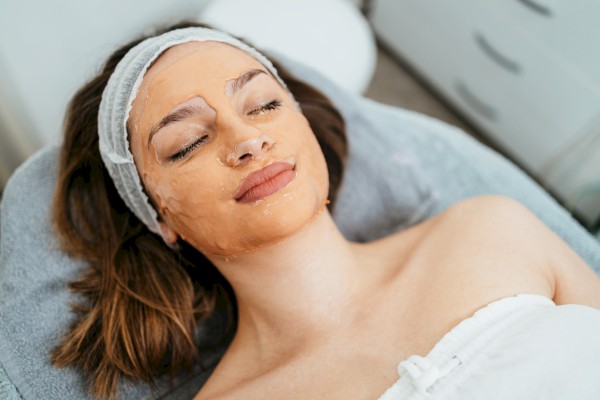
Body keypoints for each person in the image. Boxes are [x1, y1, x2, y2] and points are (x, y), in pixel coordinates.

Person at [51, 22, 600, 399]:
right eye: (187, 142)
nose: (247, 139)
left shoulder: (491, 229)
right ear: (158, 217)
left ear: (304, 126)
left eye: (264, 104)